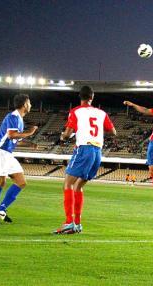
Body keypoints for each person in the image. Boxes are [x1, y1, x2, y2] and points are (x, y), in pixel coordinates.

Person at [53, 86, 116, 234]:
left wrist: (62, 136)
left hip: (84, 149)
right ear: (92, 98)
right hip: (97, 152)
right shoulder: (101, 113)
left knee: (67, 184)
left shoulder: (76, 111)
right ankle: (78, 224)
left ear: (80, 97)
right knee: (78, 186)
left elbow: (67, 134)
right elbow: (113, 132)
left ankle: (69, 222)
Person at [0, 94, 38, 225]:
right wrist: (30, 133)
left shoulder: (19, 119)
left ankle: (1, 209)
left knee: (21, 182)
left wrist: (30, 144)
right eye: (29, 102)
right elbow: (11, 135)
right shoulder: (13, 116)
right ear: (25, 104)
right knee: (0, 182)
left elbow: (16, 140)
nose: (31, 105)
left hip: (7, 153)